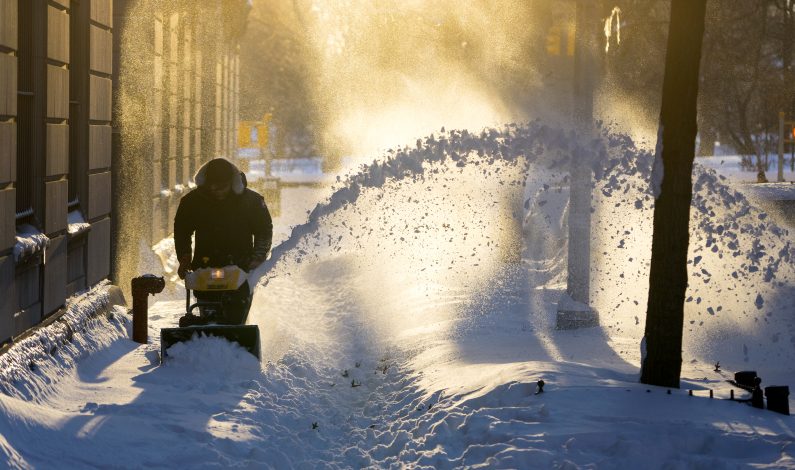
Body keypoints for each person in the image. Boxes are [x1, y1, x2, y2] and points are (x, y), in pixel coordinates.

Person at [174, 157, 273, 325]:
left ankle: (236, 336)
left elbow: (263, 231)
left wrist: (258, 256)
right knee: (208, 314)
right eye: (212, 187)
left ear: (232, 183)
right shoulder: (192, 202)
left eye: (221, 187)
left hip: (241, 267)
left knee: (237, 316)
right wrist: (184, 256)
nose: (216, 191)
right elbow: (182, 230)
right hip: (205, 267)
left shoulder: (252, 202)